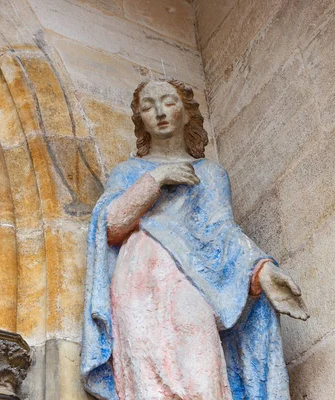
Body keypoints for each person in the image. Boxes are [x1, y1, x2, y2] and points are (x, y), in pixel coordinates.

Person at [81, 79, 308, 400]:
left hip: (192, 285)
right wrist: (157, 179)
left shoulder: (211, 174)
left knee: (201, 377)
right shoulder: (129, 172)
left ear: (187, 114)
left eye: (169, 102)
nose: (159, 112)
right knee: (148, 384)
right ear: (140, 121)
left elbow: (224, 235)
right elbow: (112, 225)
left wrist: (263, 271)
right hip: (138, 286)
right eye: (148, 107)